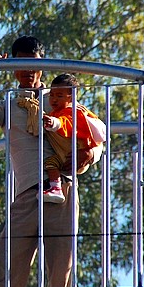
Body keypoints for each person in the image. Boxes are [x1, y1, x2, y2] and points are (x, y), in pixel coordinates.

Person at [0, 36, 103, 287]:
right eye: (20, 64)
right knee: (7, 268)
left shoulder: (60, 97)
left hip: (62, 191)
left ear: (43, 64)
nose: (27, 71)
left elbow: (94, 133)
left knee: (61, 272)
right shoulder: (10, 105)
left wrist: (90, 153)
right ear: (12, 67)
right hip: (26, 194)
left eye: (32, 64)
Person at [39, 73, 105, 204]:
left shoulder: (73, 110)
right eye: (52, 95)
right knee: (50, 163)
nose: (54, 100)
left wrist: (54, 123)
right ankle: (56, 188)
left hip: (77, 149)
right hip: (65, 156)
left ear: (72, 97)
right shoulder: (56, 111)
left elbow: (67, 123)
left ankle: (57, 187)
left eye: (59, 96)